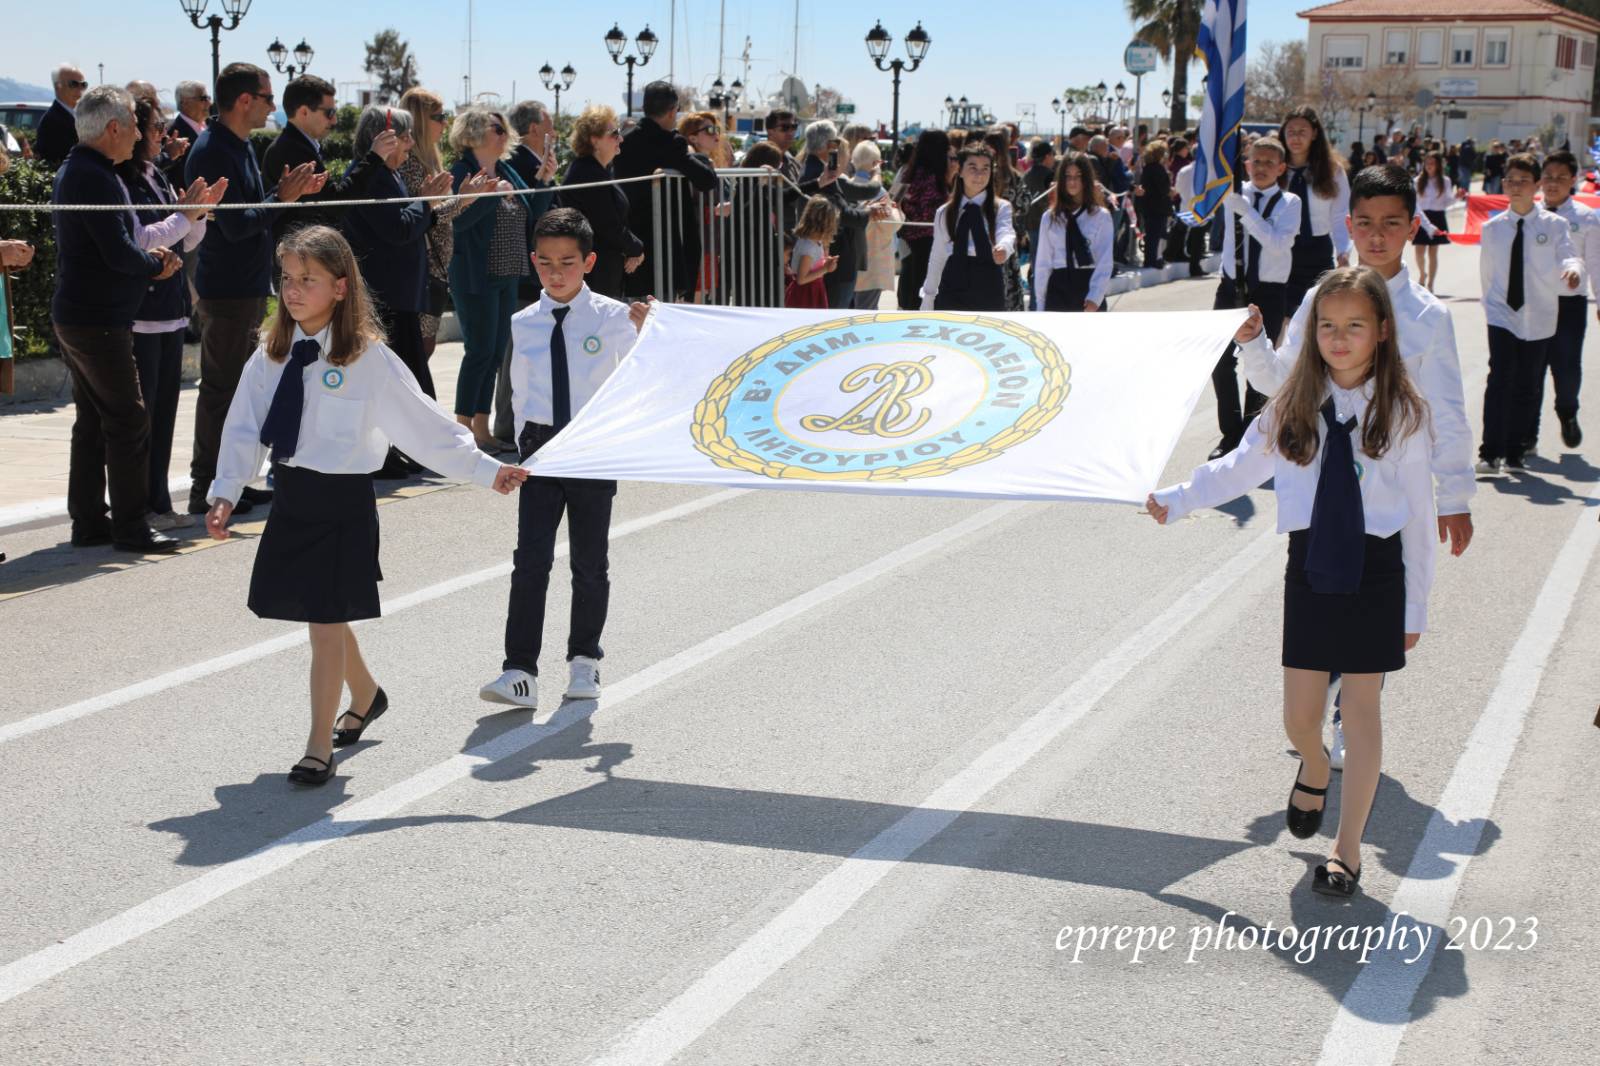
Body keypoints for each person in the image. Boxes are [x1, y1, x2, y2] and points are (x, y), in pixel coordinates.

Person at [1149, 266, 1436, 898]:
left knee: (1361, 712)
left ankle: (1348, 849)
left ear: (1382, 332)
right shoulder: (1294, 405)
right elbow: (1240, 466)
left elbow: (1420, 514)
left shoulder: (1406, 412)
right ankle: (1312, 764)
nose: (1339, 338)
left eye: (1354, 326)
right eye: (1327, 326)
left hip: (1377, 570)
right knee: (1300, 717)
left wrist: (1415, 605)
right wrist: (1177, 499)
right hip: (1311, 567)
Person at [205, 225, 527, 784]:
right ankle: (367, 693)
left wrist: (484, 468)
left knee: (326, 623)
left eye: (309, 279)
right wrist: (226, 491)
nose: (294, 290)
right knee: (319, 615)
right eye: (287, 278)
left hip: (343, 504)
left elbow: (422, 426)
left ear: (340, 286)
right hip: (293, 499)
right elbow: (243, 426)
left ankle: (316, 747)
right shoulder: (272, 352)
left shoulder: (368, 359)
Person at [1239, 163, 1478, 768]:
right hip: (1328, 486)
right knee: (1325, 592)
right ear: (1349, 223)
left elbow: (1447, 411)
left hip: (1394, 489)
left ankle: (1353, 712)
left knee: (1379, 601)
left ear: (1413, 227)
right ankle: (1321, 707)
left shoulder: (1428, 318)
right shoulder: (1323, 296)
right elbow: (1282, 381)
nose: (1376, 236)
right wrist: (1252, 343)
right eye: (1365, 223)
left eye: (1391, 224)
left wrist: (1455, 495)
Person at [477, 209, 649, 711]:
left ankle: (584, 660)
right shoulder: (522, 321)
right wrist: (516, 454)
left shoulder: (616, 319)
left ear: (590, 262)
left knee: (589, 561)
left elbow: (643, 371)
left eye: (568, 262)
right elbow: (522, 392)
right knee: (529, 561)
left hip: (593, 447)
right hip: (540, 449)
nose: (556, 272)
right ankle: (519, 670)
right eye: (546, 262)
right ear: (533, 262)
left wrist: (649, 329)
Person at [185, 62, 327, 516]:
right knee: (222, 389)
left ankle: (231, 480)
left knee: (239, 391)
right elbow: (235, 225)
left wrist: (285, 194)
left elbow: (255, 212)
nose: (273, 106)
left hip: (245, 285)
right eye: (268, 98)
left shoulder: (239, 145)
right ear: (245, 100)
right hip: (226, 288)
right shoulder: (213, 151)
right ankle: (206, 486)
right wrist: (280, 199)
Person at [50, 86, 186, 553]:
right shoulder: (94, 177)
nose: (138, 135)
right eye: (133, 124)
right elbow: (118, 252)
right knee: (128, 419)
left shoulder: (82, 169)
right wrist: (158, 266)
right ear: (113, 129)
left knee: (93, 421)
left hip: (83, 316)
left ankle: (89, 521)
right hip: (97, 320)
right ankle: (131, 526)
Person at [117, 96, 219, 530]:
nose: (163, 135)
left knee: (165, 414)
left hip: (171, 311)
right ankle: (142, 505)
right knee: (145, 418)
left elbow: (181, 240)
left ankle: (159, 501)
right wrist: (183, 214)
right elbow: (141, 237)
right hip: (141, 314)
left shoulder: (154, 173)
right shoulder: (124, 179)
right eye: (156, 128)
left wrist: (197, 216)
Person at [340, 105, 456, 476]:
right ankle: (413, 450)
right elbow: (398, 229)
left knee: (406, 377)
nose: (410, 145)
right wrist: (425, 202)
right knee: (396, 380)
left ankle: (420, 448)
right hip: (383, 294)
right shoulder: (371, 177)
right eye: (403, 136)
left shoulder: (389, 176)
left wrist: (430, 204)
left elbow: (413, 220)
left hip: (400, 292)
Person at [447, 106, 553, 451]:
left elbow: (534, 213)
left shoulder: (506, 169)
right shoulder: (462, 171)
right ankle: (462, 431)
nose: (503, 134)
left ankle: (482, 427)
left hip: (508, 273)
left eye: (504, 128)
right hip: (476, 274)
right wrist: (490, 196)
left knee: (494, 354)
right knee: (478, 351)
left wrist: (544, 182)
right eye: (496, 128)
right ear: (473, 132)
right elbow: (456, 225)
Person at [1476, 153, 1584, 475]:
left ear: (1536, 184)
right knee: (1499, 379)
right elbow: (1487, 273)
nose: (1516, 186)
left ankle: (1516, 450)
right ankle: (1489, 452)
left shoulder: (1555, 225)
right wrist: (1490, 308)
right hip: (1501, 313)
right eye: (1510, 180)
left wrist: (1573, 271)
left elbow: (1569, 256)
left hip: (1539, 314)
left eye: (1523, 181)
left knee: (1527, 384)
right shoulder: (1492, 228)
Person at [1209, 135, 1302, 459]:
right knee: (1219, 361)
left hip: (1269, 291)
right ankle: (1230, 434)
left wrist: (1246, 212)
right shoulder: (1235, 194)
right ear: (1246, 164)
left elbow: (1278, 244)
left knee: (1260, 361)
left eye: (1268, 162)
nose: (1260, 168)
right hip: (1232, 286)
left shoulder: (1290, 202)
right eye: (1255, 161)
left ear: (1280, 168)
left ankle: (1251, 439)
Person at [396, 88, 485, 361]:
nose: (445, 123)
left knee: (425, 349)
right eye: (439, 116)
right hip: (420, 270)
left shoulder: (430, 161)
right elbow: (424, 215)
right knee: (418, 352)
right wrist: (462, 201)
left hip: (434, 270)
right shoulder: (410, 164)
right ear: (420, 120)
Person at [614, 81, 718, 299]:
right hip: (664, 240)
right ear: (672, 111)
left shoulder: (626, 141)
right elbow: (707, 181)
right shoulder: (670, 142)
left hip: (630, 235)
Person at [1529, 149, 1600, 452]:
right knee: (1529, 369)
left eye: (1560, 178)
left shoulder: (1586, 218)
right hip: (1533, 305)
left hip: (1569, 306)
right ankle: (1526, 434)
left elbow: (1595, 262)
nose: (1553, 183)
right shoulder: (1529, 215)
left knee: (1566, 367)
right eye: (1547, 177)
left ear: (1574, 180)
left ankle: (1567, 414)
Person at [261, 75, 369, 245]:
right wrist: (375, 157)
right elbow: (336, 203)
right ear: (304, 112)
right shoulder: (294, 150)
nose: (334, 120)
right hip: (297, 258)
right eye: (329, 113)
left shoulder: (296, 145)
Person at [560, 105, 645, 302]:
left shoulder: (599, 170)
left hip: (603, 269)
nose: (621, 138)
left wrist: (633, 249)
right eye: (614, 133)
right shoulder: (587, 173)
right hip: (593, 273)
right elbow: (607, 225)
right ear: (594, 140)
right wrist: (636, 249)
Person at [921, 146, 1014, 311]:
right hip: (952, 281)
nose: (979, 175)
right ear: (960, 171)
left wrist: (1004, 248)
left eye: (985, 169)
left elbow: (1006, 232)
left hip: (988, 281)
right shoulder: (945, 212)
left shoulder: (1001, 207)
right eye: (973, 168)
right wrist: (928, 297)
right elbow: (937, 256)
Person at [1280, 106, 1352, 316]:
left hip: (1317, 251)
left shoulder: (1332, 170)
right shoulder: (1275, 168)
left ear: (1314, 133)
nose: (1296, 137)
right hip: (1280, 249)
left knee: (1316, 315)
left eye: (1302, 131)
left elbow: (1340, 216)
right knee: (1279, 318)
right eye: (1291, 131)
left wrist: (1343, 252)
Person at [1035, 153, 1114, 313]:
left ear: (1086, 179)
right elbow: (1043, 263)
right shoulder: (1049, 218)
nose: (1072, 182)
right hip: (1058, 287)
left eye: (1078, 176)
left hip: (1088, 284)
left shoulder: (1100, 216)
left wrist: (1095, 297)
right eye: (1068, 176)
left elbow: (1105, 261)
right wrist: (1041, 304)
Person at [893, 129, 952, 310]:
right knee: (924, 281)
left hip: (912, 235)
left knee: (912, 276)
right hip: (926, 235)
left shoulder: (913, 171)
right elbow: (929, 209)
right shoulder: (930, 176)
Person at [849, 140, 901, 311]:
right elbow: (890, 226)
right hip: (873, 265)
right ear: (875, 164)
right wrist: (898, 211)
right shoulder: (879, 192)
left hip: (850, 261)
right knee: (867, 314)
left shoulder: (846, 186)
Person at [983, 127, 1028, 310]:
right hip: (1007, 235)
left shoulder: (981, 173)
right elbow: (1025, 204)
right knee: (1007, 281)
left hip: (984, 234)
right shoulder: (1013, 175)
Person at [1412, 151, 1456, 292]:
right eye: (1427, 163)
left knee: (1433, 252)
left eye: (1432, 163)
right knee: (1419, 251)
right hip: (1421, 216)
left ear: (1438, 165)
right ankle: (1422, 274)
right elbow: (1414, 203)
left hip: (1438, 216)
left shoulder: (1445, 181)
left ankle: (1431, 283)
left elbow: (1448, 201)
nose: (1429, 166)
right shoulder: (1417, 181)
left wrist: (1457, 197)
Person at [786, 196, 839, 308]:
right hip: (806, 295)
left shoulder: (815, 243)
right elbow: (801, 279)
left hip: (813, 290)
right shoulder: (808, 247)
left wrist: (826, 263)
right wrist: (825, 269)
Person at [35, 63, 88, 168]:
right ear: (58, 86)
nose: (80, 89)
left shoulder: (81, 115)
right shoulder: (51, 121)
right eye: (74, 84)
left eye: (83, 84)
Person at [1134, 138, 1172, 269]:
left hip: (1149, 206)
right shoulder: (1158, 169)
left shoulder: (1148, 168)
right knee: (1155, 236)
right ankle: (1152, 260)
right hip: (1158, 207)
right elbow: (1163, 189)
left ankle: (1152, 259)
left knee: (1152, 235)